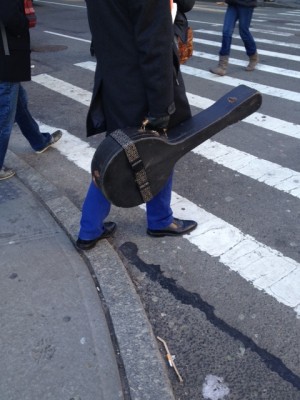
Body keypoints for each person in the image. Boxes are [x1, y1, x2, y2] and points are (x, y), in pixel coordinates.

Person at [76, 0, 198, 250]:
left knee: (116, 156)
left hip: (114, 81)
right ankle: (159, 219)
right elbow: (155, 47)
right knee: (161, 152)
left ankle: (89, 229)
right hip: (142, 87)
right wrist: (162, 107)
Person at [0, 0, 62, 181]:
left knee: (19, 102)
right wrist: (23, 23)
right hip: (7, 57)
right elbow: (11, 17)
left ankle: (39, 141)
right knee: (5, 116)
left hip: (6, 56)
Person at [210, 0, 258, 76]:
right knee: (226, 31)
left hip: (246, 4)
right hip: (232, 3)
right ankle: (222, 66)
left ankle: (253, 57)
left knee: (244, 32)